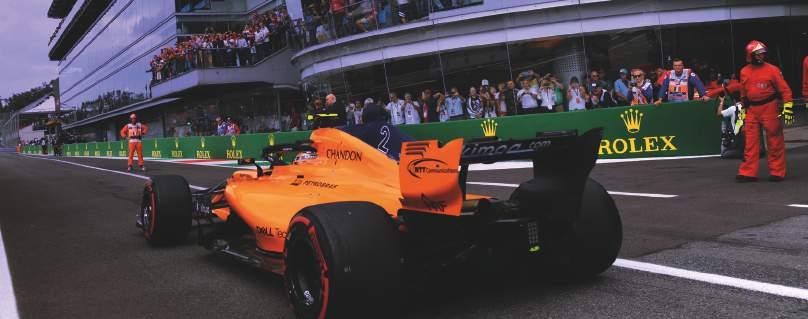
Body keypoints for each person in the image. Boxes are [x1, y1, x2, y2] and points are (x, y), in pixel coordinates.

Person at [735, 40, 793, 182]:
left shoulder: (772, 70)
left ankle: (777, 172)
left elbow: (785, 90)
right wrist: (742, 114)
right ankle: (748, 172)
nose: (761, 56)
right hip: (752, 110)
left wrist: (788, 109)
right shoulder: (744, 71)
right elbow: (743, 93)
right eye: (758, 54)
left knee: (775, 141)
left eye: (762, 54)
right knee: (750, 142)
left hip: (770, 108)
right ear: (751, 55)